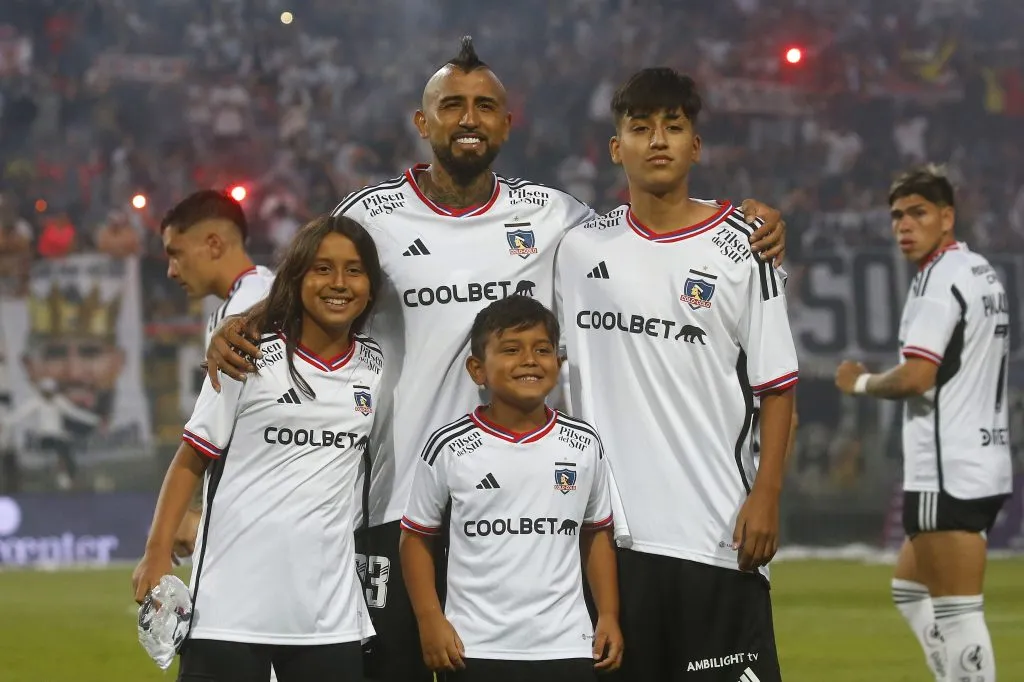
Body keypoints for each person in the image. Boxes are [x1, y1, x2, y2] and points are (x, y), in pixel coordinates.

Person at [204, 38, 788, 682]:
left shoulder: (554, 219)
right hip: (393, 509)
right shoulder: (372, 217)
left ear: (508, 124)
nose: (469, 118)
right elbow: (307, 278)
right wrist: (245, 321)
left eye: (485, 106)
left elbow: (651, 235)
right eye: (452, 105)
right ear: (423, 123)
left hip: (520, 519)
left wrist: (747, 218)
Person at [554, 67, 798, 682]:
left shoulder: (745, 245)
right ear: (617, 148)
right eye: (640, 128)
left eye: (673, 127)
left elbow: (777, 386)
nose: (657, 139)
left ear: (696, 145)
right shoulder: (577, 250)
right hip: (607, 541)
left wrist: (766, 493)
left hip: (715, 533)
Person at [132, 215, 382, 682]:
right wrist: (157, 550)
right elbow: (191, 456)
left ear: (371, 285)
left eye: (354, 270)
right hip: (227, 612)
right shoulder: (244, 355)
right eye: (322, 268)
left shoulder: (378, 369)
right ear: (296, 277)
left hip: (328, 618)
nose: (339, 283)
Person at [835, 166, 1011, 682]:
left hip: (945, 468)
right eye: (896, 216)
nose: (903, 225)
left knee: (958, 615)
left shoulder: (937, 283)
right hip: (985, 459)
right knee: (910, 590)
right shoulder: (980, 271)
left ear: (947, 217)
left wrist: (862, 384)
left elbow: (917, 377)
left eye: (918, 213)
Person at [400, 296, 622, 682]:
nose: (530, 360)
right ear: (477, 369)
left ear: (558, 361)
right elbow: (415, 538)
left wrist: (608, 615)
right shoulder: (449, 446)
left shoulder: (584, 442)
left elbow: (596, 533)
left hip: (567, 646)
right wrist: (429, 620)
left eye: (542, 349)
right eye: (511, 350)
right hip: (475, 647)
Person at [160, 190, 276, 559]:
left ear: (212, 244)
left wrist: (188, 511)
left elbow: (234, 425)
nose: (171, 271)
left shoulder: (250, 306)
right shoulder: (239, 303)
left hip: (258, 513)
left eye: (175, 253)